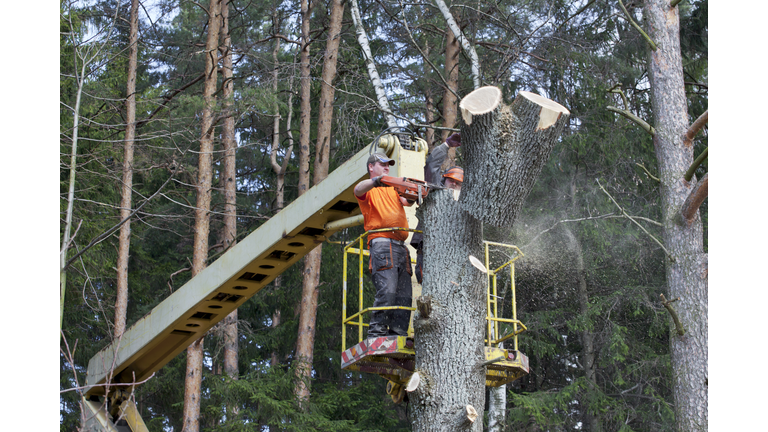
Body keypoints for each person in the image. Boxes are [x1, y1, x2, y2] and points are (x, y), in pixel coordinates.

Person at [354, 152, 415, 338]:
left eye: (388, 164)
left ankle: (398, 333)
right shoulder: (369, 189)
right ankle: (376, 332)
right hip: (382, 244)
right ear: (371, 167)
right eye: (382, 164)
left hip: (400, 246)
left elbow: (407, 201)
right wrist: (376, 181)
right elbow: (357, 189)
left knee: (404, 295)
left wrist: (413, 193)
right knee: (387, 291)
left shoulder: (393, 189)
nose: (387, 167)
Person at [410, 133, 463, 284]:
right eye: (451, 180)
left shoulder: (464, 206)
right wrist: (447, 145)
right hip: (428, 250)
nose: (453, 184)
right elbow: (432, 166)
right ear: (443, 179)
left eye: (458, 183)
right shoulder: (434, 191)